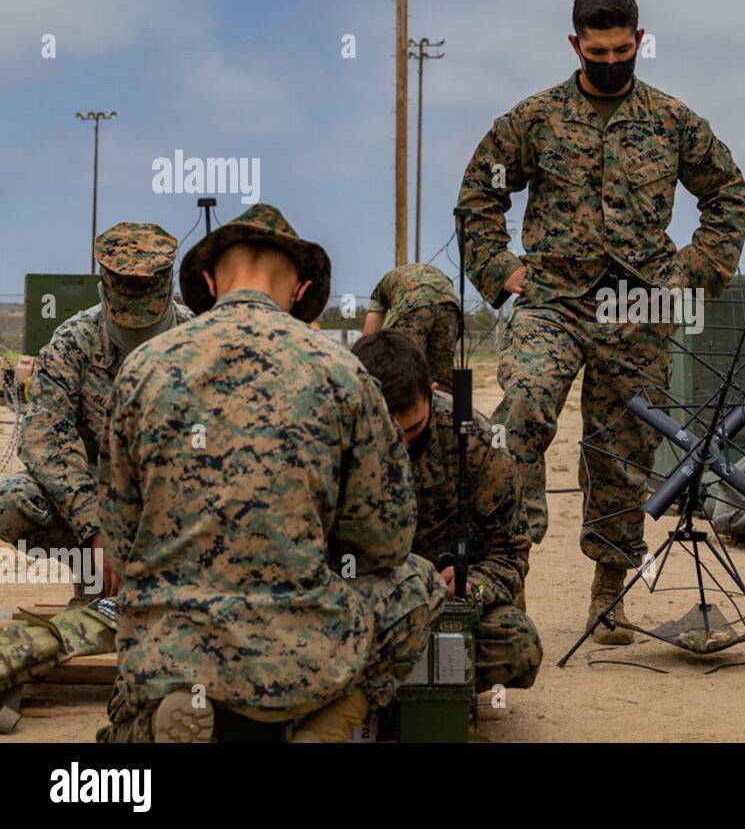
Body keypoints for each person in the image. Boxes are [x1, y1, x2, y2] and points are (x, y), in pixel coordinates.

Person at [456, 0, 745, 643]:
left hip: (637, 307)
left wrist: (687, 279)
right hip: (550, 302)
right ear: (575, 45)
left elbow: (727, 194)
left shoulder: (672, 123)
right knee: (521, 416)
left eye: (623, 49)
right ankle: (509, 582)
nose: (612, 61)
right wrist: (502, 274)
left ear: (640, 41)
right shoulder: (534, 121)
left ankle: (609, 598)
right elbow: (479, 194)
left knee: (622, 449)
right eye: (598, 50)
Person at [96, 204, 445, 743]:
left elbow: (120, 538)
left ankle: (169, 710)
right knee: (417, 583)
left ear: (208, 281)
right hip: (296, 662)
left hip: (171, 651)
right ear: (302, 289)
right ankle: (324, 723)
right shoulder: (341, 371)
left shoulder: (143, 367)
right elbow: (385, 541)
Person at [0, 222, 191, 605]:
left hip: (178, 500)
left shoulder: (200, 340)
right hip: (98, 495)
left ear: (167, 288)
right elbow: (45, 442)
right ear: (105, 292)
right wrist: (95, 530)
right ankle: (96, 581)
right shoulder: (73, 343)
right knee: (12, 502)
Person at [352, 330, 540, 695]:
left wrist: (474, 585)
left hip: (442, 610)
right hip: (359, 609)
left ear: (432, 390)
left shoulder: (477, 447)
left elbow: (509, 553)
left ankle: (401, 691)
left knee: (519, 644)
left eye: (413, 431)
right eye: (386, 433)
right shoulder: (328, 440)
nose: (401, 447)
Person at [363, 263, 461, 389]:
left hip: (413, 304)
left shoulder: (379, 291)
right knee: (441, 377)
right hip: (449, 304)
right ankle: (443, 406)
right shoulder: (401, 278)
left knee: (405, 372)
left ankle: (406, 405)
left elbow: (368, 337)